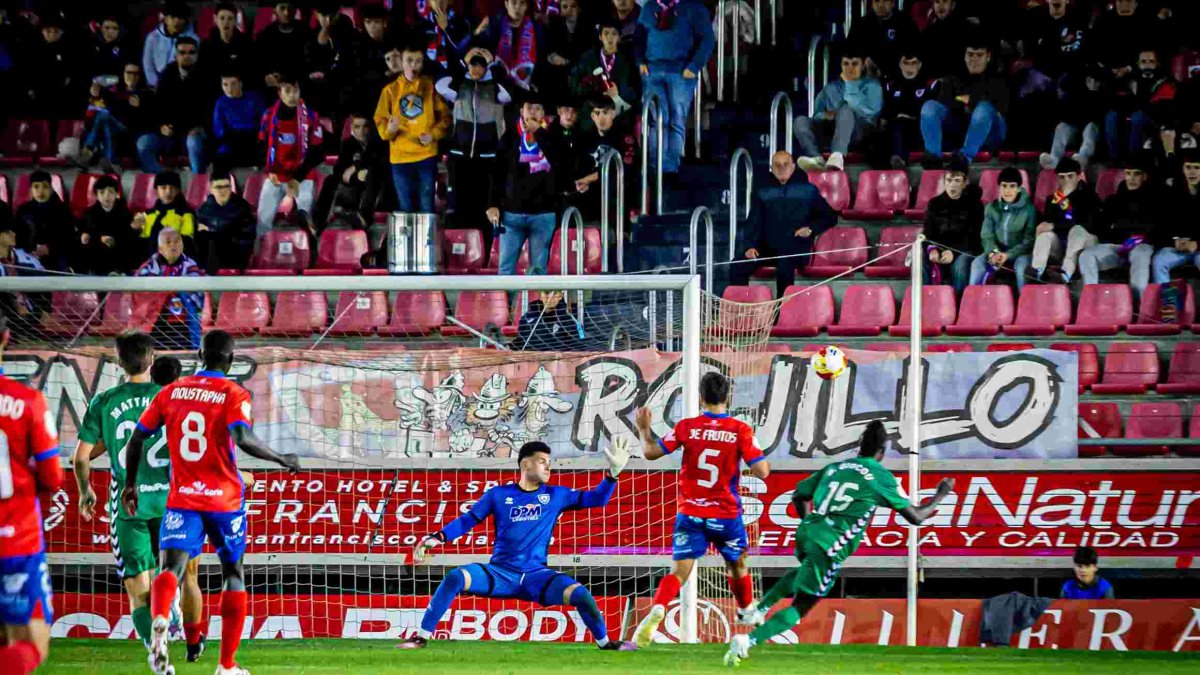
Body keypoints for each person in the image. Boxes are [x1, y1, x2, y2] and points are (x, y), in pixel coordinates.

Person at [123, 329, 301, 675]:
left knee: (170, 570)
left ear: (199, 356)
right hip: (224, 500)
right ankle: (226, 665)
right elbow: (241, 436)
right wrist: (281, 458)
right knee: (232, 573)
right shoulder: (233, 393)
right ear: (230, 360)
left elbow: (137, 438)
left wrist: (130, 484)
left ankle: (161, 619)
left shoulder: (171, 392)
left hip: (183, 499)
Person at [724, 420, 954, 666]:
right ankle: (747, 641)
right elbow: (916, 516)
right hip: (830, 544)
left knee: (805, 571)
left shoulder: (836, 467)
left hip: (808, 531)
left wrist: (810, 524)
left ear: (860, 446)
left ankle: (758, 610)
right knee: (802, 605)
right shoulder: (880, 477)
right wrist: (941, 494)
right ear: (882, 450)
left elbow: (799, 495)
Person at [398, 439, 634, 650]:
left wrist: (612, 475)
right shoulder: (498, 495)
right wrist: (437, 537)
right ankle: (421, 637)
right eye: (542, 461)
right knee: (455, 577)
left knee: (581, 594)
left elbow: (598, 499)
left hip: (536, 576)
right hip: (500, 573)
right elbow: (468, 519)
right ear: (525, 465)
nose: (548, 467)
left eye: (549, 462)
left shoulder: (557, 495)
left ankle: (606, 643)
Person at [72, 333, 207, 664]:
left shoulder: (105, 401)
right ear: (152, 359)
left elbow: (81, 458)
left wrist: (85, 490)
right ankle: (176, 617)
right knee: (180, 574)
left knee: (138, 591)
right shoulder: (173, 395)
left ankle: (156, 651)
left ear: (119, 362)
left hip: (129, 504)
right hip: (173, 503)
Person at [631, 372, 771, 646]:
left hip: (691, 513)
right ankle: (745, 609)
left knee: (679, 571)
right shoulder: (740, 429)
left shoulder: (687, 427)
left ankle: (659, 606)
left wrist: (644, 429)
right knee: (737, 564)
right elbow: (762, 471)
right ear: (728, 396)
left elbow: (650, 452)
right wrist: (751, 453)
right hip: (726, 514)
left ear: (700, 398)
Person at [0, 312, 62, 675]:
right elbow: (53, 478)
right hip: (16, 541)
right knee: (30, 644)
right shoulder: (27, 401)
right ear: (7, 338)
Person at [729, 151, 838, 295]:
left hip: (795, 248)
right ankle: (741, 306)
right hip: (767, 249)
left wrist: (811, 229)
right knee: (738, 265)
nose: (781, 168)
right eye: (777, 165)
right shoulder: (762, 192)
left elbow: (831, 217)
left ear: (793, 167)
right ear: (771, 168)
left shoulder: (808, 190)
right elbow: (753, 222)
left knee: (785, 263)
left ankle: (782, 308)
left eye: (785, 164)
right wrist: (750, 246)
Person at [488, 91, 568, 276]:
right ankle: (506, 298)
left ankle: (535, 298)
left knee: (538, 272)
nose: (533, 112)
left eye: (538, 109)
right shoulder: (509, 137)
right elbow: (497, 173)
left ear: (543, 114)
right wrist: (492, 204)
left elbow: (560, 165)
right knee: (505, 270)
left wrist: (538, 132)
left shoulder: (553, 137)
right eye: (529, 108)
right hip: (512, 214)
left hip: (543, 214)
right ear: (521, 111)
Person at [437, 48, 511, 242]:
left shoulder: (495, 88)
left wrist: (493, 64)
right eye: (473, 64)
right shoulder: (459, 86)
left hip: (487, 157)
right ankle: (461, 250)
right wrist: (463, 62)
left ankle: (484, 250)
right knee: (459, 207)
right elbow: (440, 84)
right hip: (459, 156)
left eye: (481, 65)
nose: (476, 69)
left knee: (485, 207)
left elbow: (509, 91)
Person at [635, 0, 715, 179]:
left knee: (676, 118)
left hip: (681, 71)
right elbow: (639, 37)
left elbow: (708, 39)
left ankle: (670, 168)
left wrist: (694, 66)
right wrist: (640, 61)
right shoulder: (649, 7)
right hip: (653, 70)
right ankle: (655, 166)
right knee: (656, 119)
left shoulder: (694, 7)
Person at [375, 45, 451, 214]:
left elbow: (446, 118)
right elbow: (380, 121)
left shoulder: (431, 87)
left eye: (418, 61)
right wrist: (390, 129)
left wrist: (433, 134)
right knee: (405, 207)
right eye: (409, 61)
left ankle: (427, 234)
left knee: (426, 206)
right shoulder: (390, 90)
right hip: (400, 157)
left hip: (426, 155)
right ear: (401, 63)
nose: (413, 65)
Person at [920, 40, 1009, 167]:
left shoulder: (999, 79)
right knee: (930, 106)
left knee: (983, 108)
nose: (974, 59)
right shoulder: (953, 78)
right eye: (970, 54)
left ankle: (964, 159)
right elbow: (945, 104)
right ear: (965, 56)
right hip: (960, 128)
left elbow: (999, 111)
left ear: (988, 56)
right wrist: (973, 102)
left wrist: (966, 101)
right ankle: (933, 157)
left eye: (979, 55)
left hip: (991, 134)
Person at [1079, 158, 1158, 298]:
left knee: (1139, 254)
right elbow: (1101, 227)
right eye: (1128, 173)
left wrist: (1137, 236)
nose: (1131, 178)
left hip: (1142, 245)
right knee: (1086, 256)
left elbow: (1157, 227)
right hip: (1117, 246)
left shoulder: (1154, 199)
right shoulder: (1113, 200)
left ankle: (1138, 304)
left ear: (1144, 176)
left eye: (1136, 174)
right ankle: (1092, 300)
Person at [794, 49, 882, 172]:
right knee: (800, 121)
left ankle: (837, 155)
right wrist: (826, 115)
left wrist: (850, 84)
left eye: (855, 64)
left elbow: (871, 112)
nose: (850, 68)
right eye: (846, 64)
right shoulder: (830, 88)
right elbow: (816, 115)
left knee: (846, 109)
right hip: (831, 129)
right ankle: (816, 158)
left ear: (863, 66)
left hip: (861, 131)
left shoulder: (872, 86)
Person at [257, 75, 324, 234]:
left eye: (296, 91)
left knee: (304, 216)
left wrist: (296, 179)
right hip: (277, 174)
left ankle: (309, 245)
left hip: (302, 176)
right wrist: (270, 170)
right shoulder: (269, 116)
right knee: (263, 220)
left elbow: (317, 153)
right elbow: (262, 146)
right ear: (280, 93)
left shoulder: (311, 117)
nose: (292, 95)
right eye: (287, 91)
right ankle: (262, 247)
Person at [138, 37, 212, 174]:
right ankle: (165, 179)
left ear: (197, 55)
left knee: (194, 142)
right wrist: (161, 125)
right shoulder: (167, 75)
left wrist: (200, 127)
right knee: (144, 143)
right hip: (170, 132)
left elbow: (209, 109)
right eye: (182, 53)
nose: (187, 56)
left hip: (194, 131)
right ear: (176, 55)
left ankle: (197, 183)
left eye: (191, 52)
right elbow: (157, 106)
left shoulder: (206, 76)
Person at [1031, 157, 1104, 284]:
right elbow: (1048, 224)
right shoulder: (1052, 199)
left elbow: (1087, 223)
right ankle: (1037, 272)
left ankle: (1065, 274)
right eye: (1062, 177)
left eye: (1070, 176)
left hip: (1086, 243)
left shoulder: (1089, 196)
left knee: (1077, 230)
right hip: (1062, 245)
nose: (1066, 180)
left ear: (1078, 176)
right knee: (1045, 235)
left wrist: (1055, 225)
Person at [134, 228, 204, 350]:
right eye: (168, 242)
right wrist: (168, 291)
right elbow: (140, 296)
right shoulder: (149, 267)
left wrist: (173, 289)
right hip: (154, 324)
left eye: (176, 241)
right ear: (160, 248)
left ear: (182, 244)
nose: (173, 245)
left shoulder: (191, 266)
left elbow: (197, 296)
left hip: (182, 325)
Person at [1105, 48, 1178, 162]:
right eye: (1143, 61)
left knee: (1138, 117)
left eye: (1151, 61)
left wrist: (1138, 106)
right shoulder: (1131, 79)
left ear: (1157, 63)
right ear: (1138, 64)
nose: (1147, 64)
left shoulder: (1165, 80)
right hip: (1135, 112)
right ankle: (1114, 158)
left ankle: (1135, 157)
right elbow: (1120, 100)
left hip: (1156, 116)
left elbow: (1163, 105)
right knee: (1111, 116)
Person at [923, 158, 983, 293]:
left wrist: (954, 253)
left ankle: (959, 300)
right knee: (920, 260)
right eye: (949, 180)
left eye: (957, 181)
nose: (952, 185)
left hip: (964, 250)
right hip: (939, 250)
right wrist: (932, 249)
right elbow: (927, 233)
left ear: (965, 183)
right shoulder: (934, 203)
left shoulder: (975, 205)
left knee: (960, 265)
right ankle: (925, 297)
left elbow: (975, 239)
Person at [969, 167, 1036, 288]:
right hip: (996, 251)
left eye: (1012, 186)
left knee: (1022, 267)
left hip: (1020, 253)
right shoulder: (991, 208)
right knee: (977, 264)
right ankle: (973, 298)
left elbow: (1028, 240)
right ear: (999, 187)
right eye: (1004, 186)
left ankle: (1024, 298)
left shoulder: (1029, 210)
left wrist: (1008, 255)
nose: (1007, 190)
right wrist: (994, 253)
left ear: (1019, 188)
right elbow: (987, 235)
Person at [321, 113, 391, 228]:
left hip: (373, 179)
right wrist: (344, 174)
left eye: (365, 127)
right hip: (353, 179)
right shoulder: (347, 144)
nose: (361, 131)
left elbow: (376, 161)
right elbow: (339, 168)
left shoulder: (378, 143)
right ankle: (320, 222)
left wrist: (355, 167)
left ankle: (365, 217)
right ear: (352, 128)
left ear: (370, 128)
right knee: (330, 179)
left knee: (372, 174)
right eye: (357, 127)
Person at [570, 17, 639, 129]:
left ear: (619, 37)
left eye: (614, 34)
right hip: (592, 115)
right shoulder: (588, 58)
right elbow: (574, 84)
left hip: (619, 117)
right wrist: (592, 86)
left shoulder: (628, 61)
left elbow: (635, 90)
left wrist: (618, 93)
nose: (610, 38)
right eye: (606, 33)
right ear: (600, 37)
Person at [1039, 64, 1108, 172]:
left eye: (1096, 81)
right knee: (1062, 127)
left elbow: (1098, 117)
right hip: (1077, 127)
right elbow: (1070, 114)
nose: (1093, 83)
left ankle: (1082, 158)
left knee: (1090, 127)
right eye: (1090, 80)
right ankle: (1054, 159)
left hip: (1094, 130)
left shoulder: (1104, 95)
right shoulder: (1078, 93)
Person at [879, 50, 936, 170]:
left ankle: (900, 160)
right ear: (900, 64)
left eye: (913, 63)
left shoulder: (929, 84)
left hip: (920, 126)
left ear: (919, 65)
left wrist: (909, 116)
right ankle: (893, 163)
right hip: (896, 126)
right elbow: (886, 113)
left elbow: (931, 112)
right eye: (906, 63)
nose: (909, 67)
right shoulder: (892, 85)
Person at [475, 0, 548, 93]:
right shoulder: (494, 25)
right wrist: (476, 33)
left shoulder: (536, 28)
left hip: (527, 88)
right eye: (514, 2)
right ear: (506, 4)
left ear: (526, 6)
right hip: (495, 85)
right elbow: (478, 51)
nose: (517, 7)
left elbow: (542, 58)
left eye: (522, 3)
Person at [1150, 152, 1200, 283]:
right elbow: (1160, 226)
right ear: (1183, 169)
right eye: (1188, 167)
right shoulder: (1172, 194)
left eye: (1196, 167)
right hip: (1177, 247)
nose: (1192, 172)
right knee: (1159, 261)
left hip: (1198, 247)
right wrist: (1174, 242)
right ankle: (1167, 297)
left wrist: (1197, 244)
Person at [22, 14, 82, 119]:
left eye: (56, 31)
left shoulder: (68, 49)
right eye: (48, 31)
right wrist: (30, 89)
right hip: (39, 93)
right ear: (42, 31)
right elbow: (28, 71)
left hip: (60, 94)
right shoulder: (33, 49)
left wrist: (68, 81)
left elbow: (72, 70)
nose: (52, 34)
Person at [13, 170, 74, 272]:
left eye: (45, 187)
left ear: (51, 189)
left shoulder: (63, 211)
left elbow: (69, 238)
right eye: (36, 187)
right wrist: (30, 250)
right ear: (31, 189)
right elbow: (18, 237)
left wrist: (50, 248)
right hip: (29, 257)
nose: (40, 191)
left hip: (56, 258)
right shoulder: (23, 210)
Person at [196, 173, 256, 274]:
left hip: (236, 252)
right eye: (218, 187)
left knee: (214, 241)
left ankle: (208, 278)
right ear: (211, 189)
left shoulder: (242, 207)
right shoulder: (204, 209)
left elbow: (247, 237)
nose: (223, 190)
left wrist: (219, 234)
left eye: (226, 186)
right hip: (210, 253)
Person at [79, 175, 139, 275]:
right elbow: (86, 230)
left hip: (118, 249)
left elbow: (127, 234)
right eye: (102, 192)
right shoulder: (89, 213)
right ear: (96, 196)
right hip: (98, 250)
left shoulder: (125, 213)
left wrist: (116, 239)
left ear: (117, 194)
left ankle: (118, 271)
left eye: (110, 192)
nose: (106, 196)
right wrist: (89, 237)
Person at [847, 0, 917, 79]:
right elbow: (850, 53)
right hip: (867, 78)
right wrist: (863, 61)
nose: (881, 5)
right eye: (877, 1)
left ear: (893, 3)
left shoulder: (906, 23)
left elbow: (914, 53)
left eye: (885, 1)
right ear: (872, 4)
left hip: (899, 78)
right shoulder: (860, 25)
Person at [212, 71, 266, 172]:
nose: (229, 89)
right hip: (232, 139)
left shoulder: (254, 98)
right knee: (220, 159)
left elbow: (265, 120)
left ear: (240, 84)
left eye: (233, 84)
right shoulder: (221, 102)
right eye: (225, 85)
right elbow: (218, 127)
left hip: (253, 137)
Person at [133, 171, 196, 255]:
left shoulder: (185, 214)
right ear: (156, 190)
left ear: (178, 190)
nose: (168, 192)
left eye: (172, 188)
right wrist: (134, 229)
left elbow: (187, 242)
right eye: (163, 188)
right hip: (147, 259)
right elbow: (138, 243)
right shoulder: (147, 214)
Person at [256, 1, 310, 93]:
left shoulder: (304, 30)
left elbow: (307, 60)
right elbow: (261, 61)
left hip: (299, 81)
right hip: (274, 82)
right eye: (282, 8)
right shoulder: (267, 33)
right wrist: (269, 76)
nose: (286, 12)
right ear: (275, 11)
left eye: (290, 8)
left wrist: (286, 77)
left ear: (295, 10)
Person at [143, 1, 199, 89]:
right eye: (173, 17)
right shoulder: (152, 37)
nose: (176, 21)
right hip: (155, 86)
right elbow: (148, 64)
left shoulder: (194, 40)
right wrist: (157, 84)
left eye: (180, 18)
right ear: (166, 18)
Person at [415, 0, 472, 81]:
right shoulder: (421, 27)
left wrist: (446, 28)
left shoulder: (462, 23)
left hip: (458, 75)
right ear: (428, 3)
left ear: (450, 1)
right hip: (428, 77)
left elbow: (461, 50)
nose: (439, 1)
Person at [512, 290, 586, 350]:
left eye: (554, 293)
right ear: (540, 296)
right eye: (546, 293)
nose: (550, 297)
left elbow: (581, 342)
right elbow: (521, 341)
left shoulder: (570, 319)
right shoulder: (527, 318)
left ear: (560, 296)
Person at [204, 2, 254, 83]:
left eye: (230, 18)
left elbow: (249, 71)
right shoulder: (207, 44)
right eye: (222, 18)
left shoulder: (246, 42)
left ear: (235, 21)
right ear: (215, 19)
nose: (226, 22)